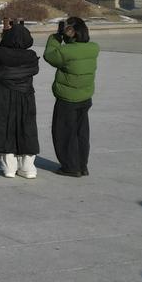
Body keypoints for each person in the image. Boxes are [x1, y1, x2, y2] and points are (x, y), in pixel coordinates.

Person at [0, 20, 40, 178]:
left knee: (2, 128)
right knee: (26, 128)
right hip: (25, 96)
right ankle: (28, 168)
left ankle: (9, 167)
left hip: (2, 95)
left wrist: (1, 44)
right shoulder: (31, 56)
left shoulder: (1, 53)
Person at [43, 17, 99, 177]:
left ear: (72, 33)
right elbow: (76, 50)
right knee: (81, 133)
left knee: (64, 133)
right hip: (85, 97)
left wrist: (56, 37)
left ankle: (71, 167)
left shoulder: (65, 51)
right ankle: (82, 165)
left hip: (67, 98)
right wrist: (68, 37)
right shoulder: (94, 48)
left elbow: (50, 55)